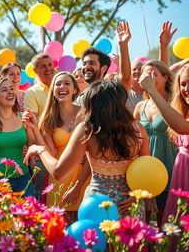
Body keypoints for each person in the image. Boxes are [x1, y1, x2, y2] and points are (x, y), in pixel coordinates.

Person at [24, 80, 150, 218]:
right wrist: (139, 194)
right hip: (130, 204)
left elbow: (58, 172)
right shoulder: (138, 130)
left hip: (98, 205)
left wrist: (41, 150)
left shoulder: (88, 130)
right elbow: (146, 171)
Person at [23, 71, 90, 223]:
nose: (62, 86)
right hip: (60, 176)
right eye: (57, 84)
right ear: (53, 91)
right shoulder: (47, 120)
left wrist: (79, 185)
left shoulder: (86, 114)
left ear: (74, 89)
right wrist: (35, 129)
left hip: (84, 176)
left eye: (66, 83)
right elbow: (50, 153)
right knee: (61, 226)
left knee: (84, 225)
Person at [139, 66, 189, 224]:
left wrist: (152, 91)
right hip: (180, 173)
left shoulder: (176, 113)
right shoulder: (184, 110)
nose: (186, 89)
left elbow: (181, 127)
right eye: (183, 84)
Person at [134, 60, 177, 227]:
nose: (149, 78)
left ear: (166, 78)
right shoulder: (140, 106)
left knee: (164, 225)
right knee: (142, 223)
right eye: (146, 75)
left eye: (154, 74)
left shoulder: (175, 102)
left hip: (168, 171)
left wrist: (164, 46)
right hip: (143, 174)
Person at [24, 53, 55, 200]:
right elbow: (31, 124)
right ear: (35, 70)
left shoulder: (60, 86)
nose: (48, 68)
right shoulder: (32, 93)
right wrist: (32, 149)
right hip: (42, 150)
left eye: (49, 64)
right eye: (43, 66)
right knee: (41, 192)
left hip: (63, 146)